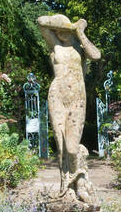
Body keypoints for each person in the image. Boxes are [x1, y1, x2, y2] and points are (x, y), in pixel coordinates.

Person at [36, 14, 101, 199]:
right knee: (61, 146)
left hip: (76, 98)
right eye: (58, 30)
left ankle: (80, 179)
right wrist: (67, 24)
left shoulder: (80, 48)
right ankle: (67, 189)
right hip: (57, 95)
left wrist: (79, 32)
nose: (60, 33)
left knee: (72, 147)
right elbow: (41, 22)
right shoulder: (54, 46)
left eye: (64, 31)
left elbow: (96, 55)